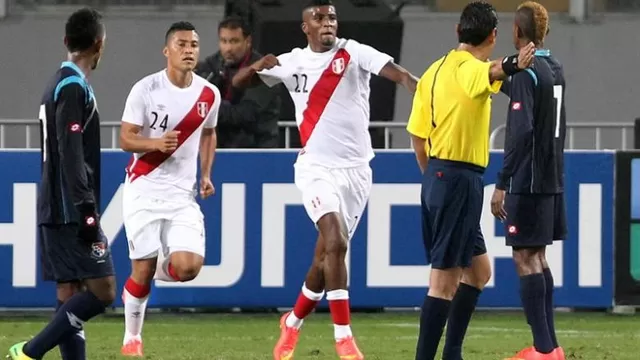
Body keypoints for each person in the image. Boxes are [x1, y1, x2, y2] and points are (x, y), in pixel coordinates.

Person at [232, 0, 417, 358]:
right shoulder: (293, 61)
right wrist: (257, 65)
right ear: (306, 27)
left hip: (358, 172)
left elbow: (397, 73)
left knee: (324, 258)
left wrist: (416, 84)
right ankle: (343, 337)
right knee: (336, 241)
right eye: (318, 18)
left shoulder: (354, 52)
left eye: (331, 16)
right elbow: (238, 83)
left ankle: (293, 323)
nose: (327, 22)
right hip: (316, 168)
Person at [405, 2, 535, 359]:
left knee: (478, 271)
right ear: (492, 36)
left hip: (438, 175)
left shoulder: (433, 71)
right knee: (444, 282)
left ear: (458, 31)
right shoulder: (470, 68)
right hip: (458, 179)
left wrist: (434, 177)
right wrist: (514, 63)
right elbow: (492, 71)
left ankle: (453, 352)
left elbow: (417, 137)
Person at [8, 8, 116, 360]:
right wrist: (87, 211)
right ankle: (30, 351)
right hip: (71, 209)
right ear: (100, 44)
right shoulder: (72, 87)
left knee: (70, 293)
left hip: (55, 205)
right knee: (104, 291)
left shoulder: (58, 81)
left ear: (66, 41)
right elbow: (71, 156)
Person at [118, 21, 220, 357]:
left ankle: (147, 271)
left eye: (193, 44)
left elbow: (208, 133)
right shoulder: (145, 90)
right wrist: (155, 143)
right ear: (167, 51)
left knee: (188, 268)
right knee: (142, 271)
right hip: (144, 188)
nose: (189, 50)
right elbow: (125, 138)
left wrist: (205, 174)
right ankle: (132, 338)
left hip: (181, 195)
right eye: (181, 44)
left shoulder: (209, 94)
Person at [490, 2, 566, 360]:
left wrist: (502, 182)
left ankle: (542, 350)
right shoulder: (554, 68)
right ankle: (551, 347)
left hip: (528, 179)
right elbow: (532, 99)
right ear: (544, 34)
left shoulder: (526, 72)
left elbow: (520, 133)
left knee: (524, 257)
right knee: (538, 256)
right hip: (551, 177)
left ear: (516, 33)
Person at [196, 15, 281, 148]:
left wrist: (209, 107)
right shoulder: (211, 65)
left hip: (258, 149)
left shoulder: (264, 70)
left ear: (248, 41)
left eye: (234, 41)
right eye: (224, 41)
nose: (228, 48)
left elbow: (245, 115)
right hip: (219, 149)